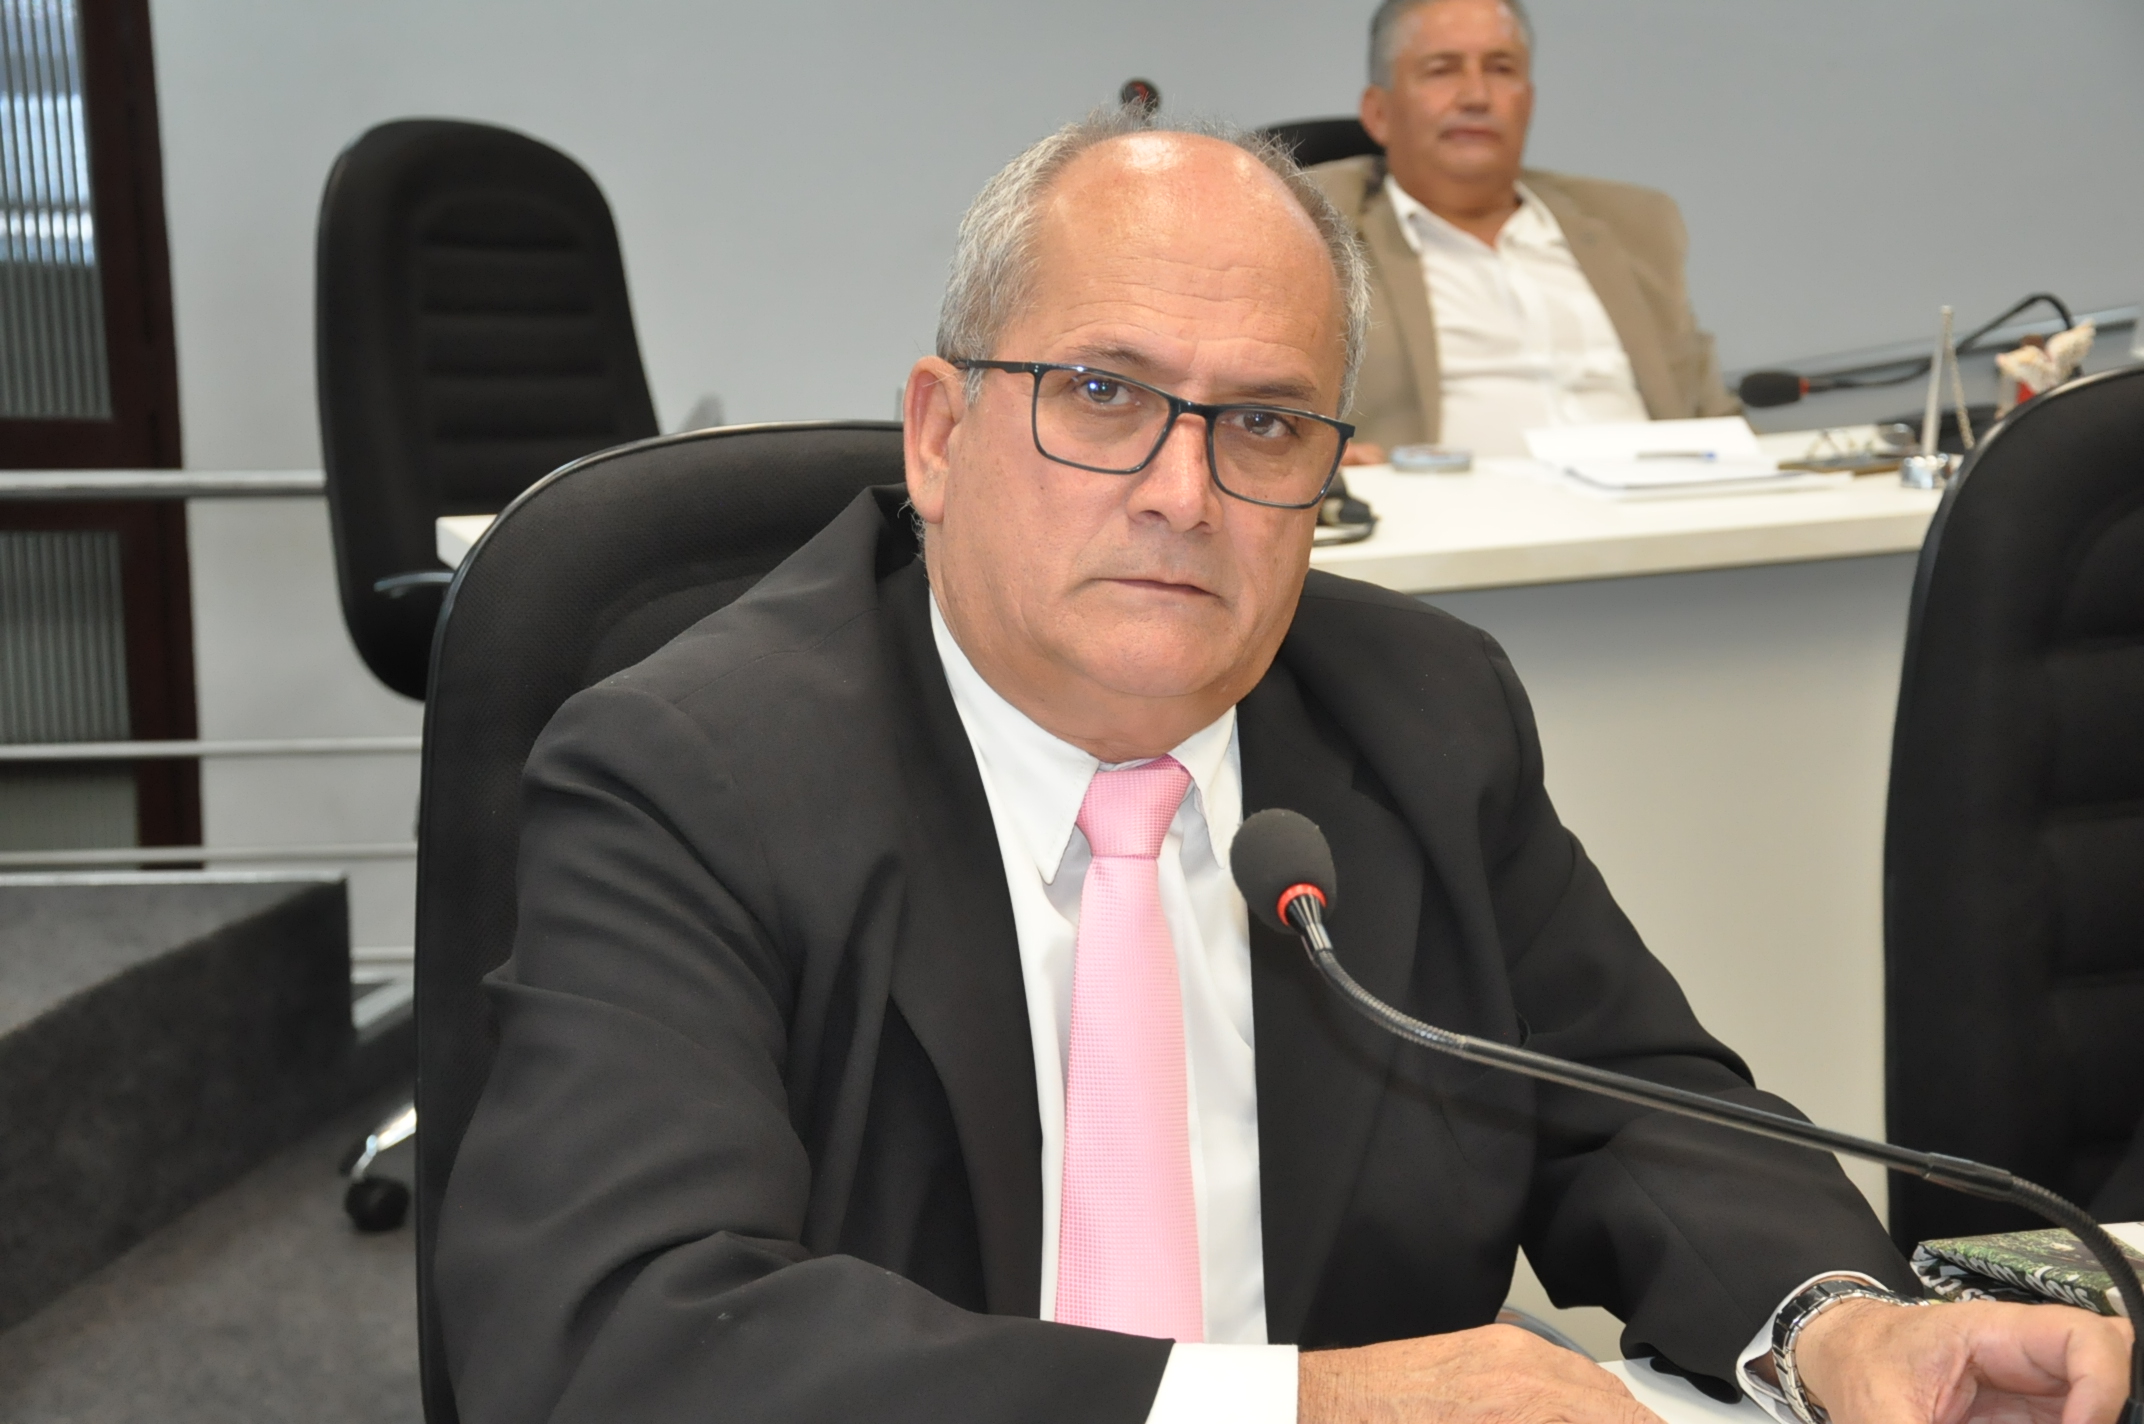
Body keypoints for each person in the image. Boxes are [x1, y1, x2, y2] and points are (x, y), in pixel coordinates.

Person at [435, 108, 2133, 1424]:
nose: (1181, 491)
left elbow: (1634, 1106)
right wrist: (1300, 1406)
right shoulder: (691, 771)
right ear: (940, 436)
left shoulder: (1416, 712)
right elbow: (617, 1329)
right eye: (1102, 394)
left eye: (1260, 423)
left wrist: (1838, 1325)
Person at [1314, 0, 1739, 462]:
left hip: (1657, 498)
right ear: (1378, 113)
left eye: (1501, 69)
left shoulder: (1634, 224)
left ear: (1529, 102)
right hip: (1445, 503)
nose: (1476, 96)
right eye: (1442, 70)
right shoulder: (1320, 227)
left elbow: (1712, 416)